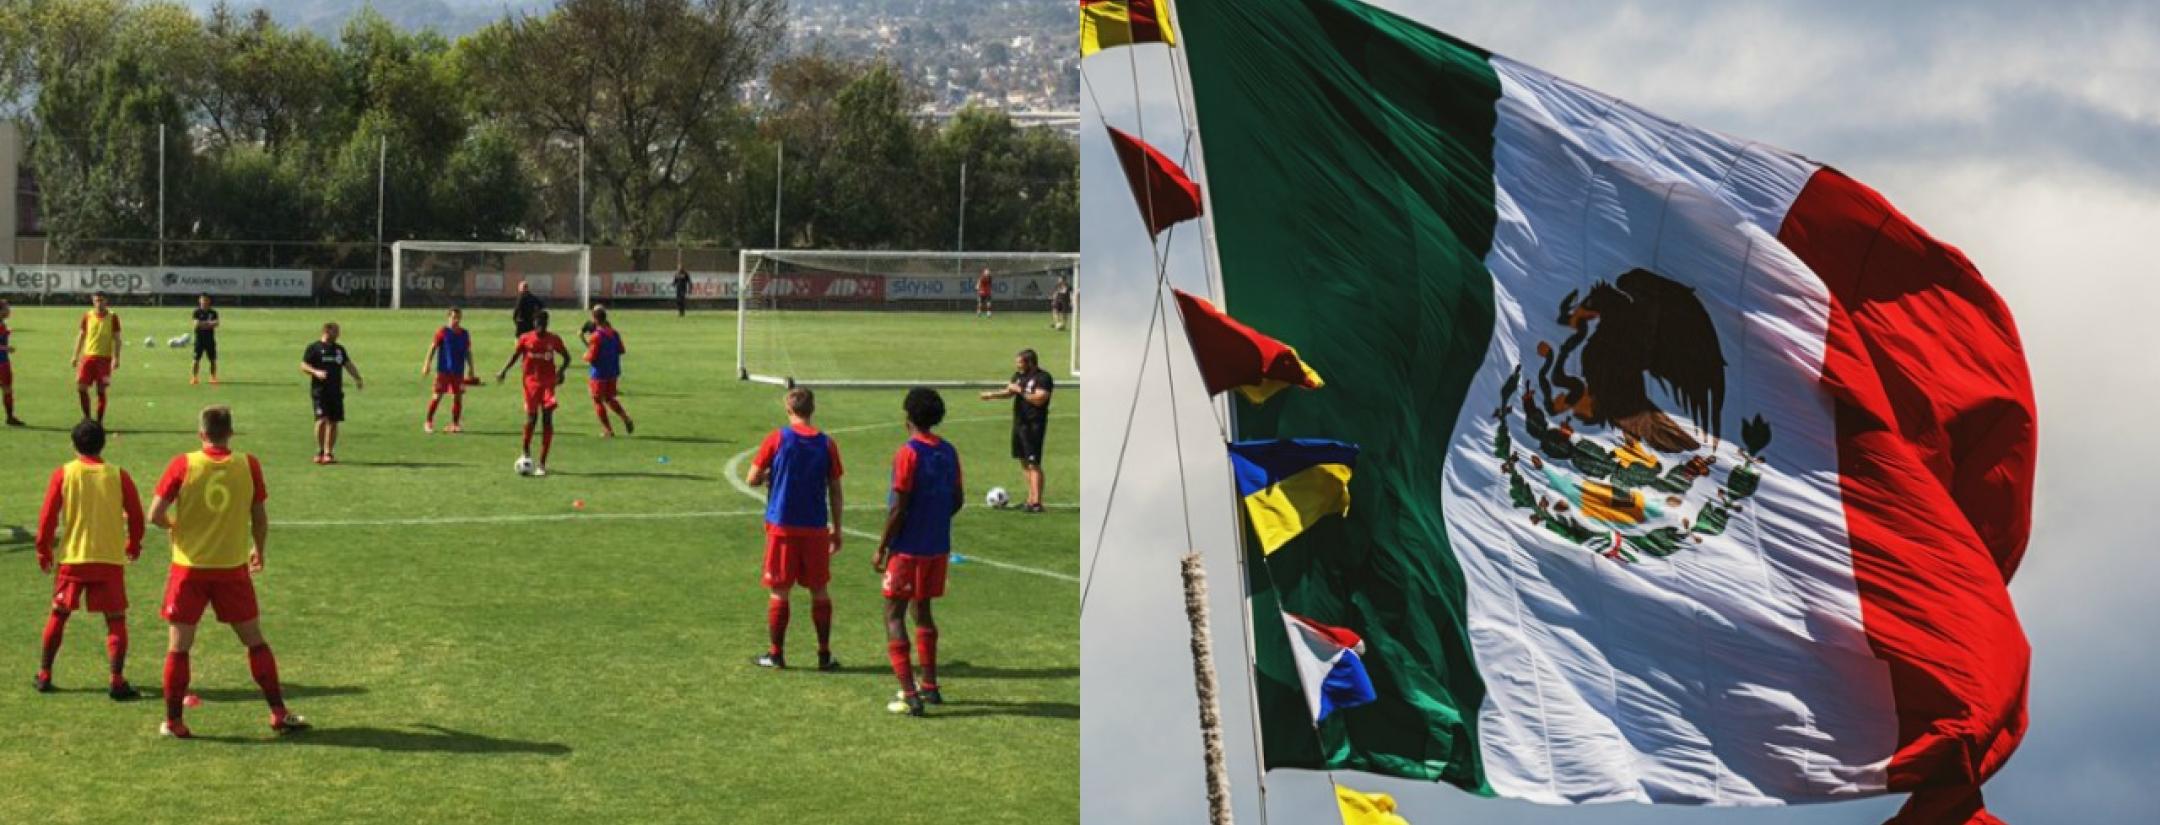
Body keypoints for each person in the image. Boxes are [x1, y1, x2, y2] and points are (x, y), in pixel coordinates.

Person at [148, 405, 307, 739]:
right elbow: (260, 517)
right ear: (230, 433)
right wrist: (258, 550)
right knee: (254, 641)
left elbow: (155, 514)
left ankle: (174, 721)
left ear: (201, 434)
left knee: (179, 646)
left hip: (188, 569)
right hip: (231, 569)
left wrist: (176, 526)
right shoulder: (248, 465)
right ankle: (278, 711)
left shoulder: (183, 464)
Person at [32, 419, 146, 700]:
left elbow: (47, 516)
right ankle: (116, 681)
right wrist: (134, 542)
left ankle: (45, 674)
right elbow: (136, 513)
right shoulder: (119, 475)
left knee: (59, 614)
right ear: (103, 443)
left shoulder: (64, 473)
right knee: (115, 619)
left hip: (73, 558)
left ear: (74, 445)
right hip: (108, 559)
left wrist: (43, 549)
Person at [873, 388, 964, 717]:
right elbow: (957, 499)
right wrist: (934, 520)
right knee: (921, 611)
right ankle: (930, 686)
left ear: (907, 416)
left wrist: (883, 546)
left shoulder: (908, 453)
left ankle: (910, 693)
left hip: (907, 548)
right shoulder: (949, 451)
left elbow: (898, 507)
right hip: (937, 546)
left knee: (893, 614)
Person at [744, 387, 845, 671]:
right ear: (813, 410)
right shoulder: (827, 444)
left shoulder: (777, 438)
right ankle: (824, 655)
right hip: (815, 527)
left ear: (788, 410)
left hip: (782, 527)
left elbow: (752, 478)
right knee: (820, 590)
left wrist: (769, 474)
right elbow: (836, 491)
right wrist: (836, 530)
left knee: (780, 591)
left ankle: (776, 654)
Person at [497, 310, 571, 476]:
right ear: (534, 324)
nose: (540, 329)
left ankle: (542, 464)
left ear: (547, 324)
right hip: (530, 384)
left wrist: (561, 372)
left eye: (543, 325)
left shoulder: (554, 339)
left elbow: (567, 357)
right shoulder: (525, 338)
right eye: (538, 325)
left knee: (547, 420)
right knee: (531, 419)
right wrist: (503, 371)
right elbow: (515, 356)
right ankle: (526, 451)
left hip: (548, 384)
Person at [980, 348, 1054, 512]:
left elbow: (1040, 399)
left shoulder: (1043, 378)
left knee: (1033, 463)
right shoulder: (1019, 376)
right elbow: (1009, 392)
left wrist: (1020, 390)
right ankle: (1030, 498)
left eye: (1020, 363)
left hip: (1034, 425)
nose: (1017, 366)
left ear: (1031, 362)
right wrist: (992, 395)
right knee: (1023, 461)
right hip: (1019, 424)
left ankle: (1037, 502)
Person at [301, 323, 364, 464]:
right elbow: (304, 365)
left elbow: (348, 364)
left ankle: (329, 452)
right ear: (327, 332)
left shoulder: (339, 350)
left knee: (333, 421)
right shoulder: (314, 348)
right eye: (336, 332)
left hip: (335, 391)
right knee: (321, 420)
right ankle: (320, 450)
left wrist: (357, 378)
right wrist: (315, 372)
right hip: (320, 391)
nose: (338, 335)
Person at [422, 307, 477, 434]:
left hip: (458, 371)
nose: (456, 320)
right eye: (453, 317)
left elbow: (468, 352)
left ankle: (455, 424)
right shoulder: (443, 332)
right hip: (443, 371)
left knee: (458, 397)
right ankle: (428, 422)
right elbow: (433, 347)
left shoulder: (464, 334)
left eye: (458, 317)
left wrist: (471, 368)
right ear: (448, 317)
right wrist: (427, 364)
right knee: (437, 396)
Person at [71, 291, 123, 424]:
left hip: (104, 359)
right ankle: (87, 418)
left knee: (101, 391)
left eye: (101, 300)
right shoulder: (87, 316)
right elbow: (81, 336)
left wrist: (116, 358)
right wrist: (75, 355)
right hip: (88, 358)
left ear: (106, 301)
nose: (99, 303)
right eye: (96, 300)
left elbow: (117, 339)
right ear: (93, 301)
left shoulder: (113, 317)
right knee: (81, 388)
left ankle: (99, 422)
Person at [584, 305, 634, 437]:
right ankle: (625, 417)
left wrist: (586, 355)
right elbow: (622, 350)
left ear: (595, 319)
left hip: (599, 373)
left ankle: (608, 430)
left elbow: (591, 357)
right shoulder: (614, 333)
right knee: (610, 398)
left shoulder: (596, 336)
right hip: (613, 371)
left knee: (597, 400)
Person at [189, 293, 220, 385]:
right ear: (199, 301)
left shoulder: (213, 312)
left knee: (212, 359)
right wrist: (209, 324)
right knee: (196, 359)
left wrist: (203, 324)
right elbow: (196, 324)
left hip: (210, 339)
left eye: (206, 300)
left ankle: (213, 377)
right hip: (199, 339)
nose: (204, 302)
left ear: (209, 301)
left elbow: (216, 323)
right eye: (202, 300)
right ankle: (195, 378)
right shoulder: (196, 312)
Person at [0, 298, 20, 426]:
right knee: (7, 389)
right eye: (7, 308)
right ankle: (10, 417)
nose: (9, 310)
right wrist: (6, 348)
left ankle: (10, 417)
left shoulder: (2, 324)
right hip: (1, 363)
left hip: (4, 362)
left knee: (7, 389)